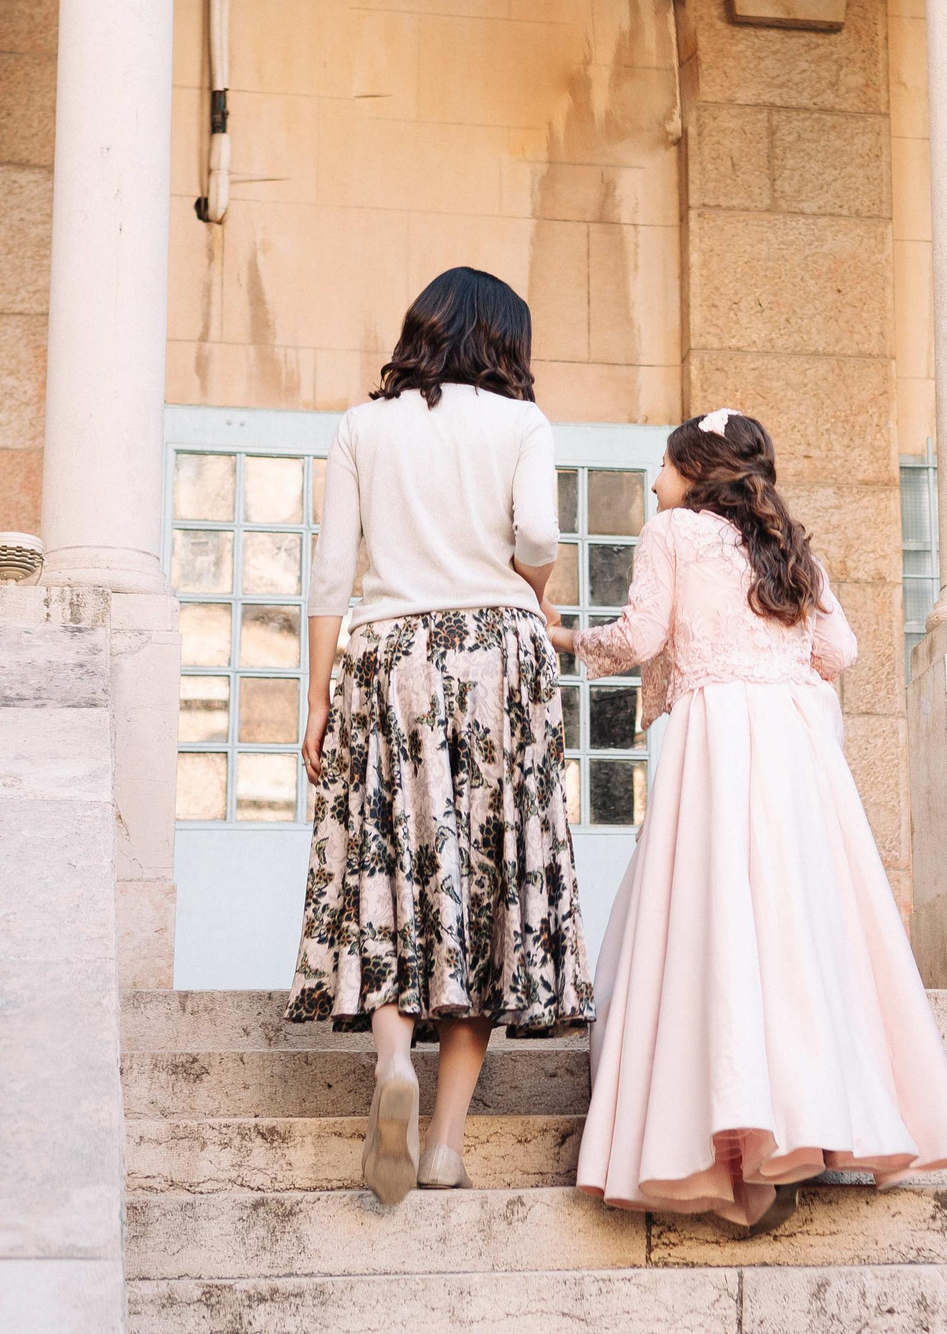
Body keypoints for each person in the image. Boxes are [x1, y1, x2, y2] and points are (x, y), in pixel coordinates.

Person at [552, 410, 947, 1230]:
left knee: (717, 922)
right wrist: (773, 656)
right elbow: (840, 651)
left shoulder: (671, 533)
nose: (653, 479)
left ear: (695, 472)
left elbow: (641, 635)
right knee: (795, 926)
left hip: (716, 742)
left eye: (664, 464)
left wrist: (566, 637)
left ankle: (734, 1137)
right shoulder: (788, 545)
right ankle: (814, 1117)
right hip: (793, 749)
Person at [290, 267, 592, 1206]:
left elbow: (331, 572)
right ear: (505, 341)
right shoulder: (522, 423)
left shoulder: (362, 425)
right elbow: (538, 536)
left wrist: (317, 698)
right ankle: (446, 1146)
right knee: (487, 885)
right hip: (498, 656)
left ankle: (394, 1063)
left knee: (390, 867)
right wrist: (535, 588)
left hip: (389, 655)